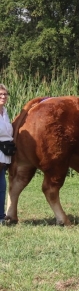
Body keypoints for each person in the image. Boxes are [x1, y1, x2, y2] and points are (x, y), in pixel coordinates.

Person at [0, 84, 13, 224]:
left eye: (5, 94)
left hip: (5, 153)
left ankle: (1, 216)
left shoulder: (5, 112)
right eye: (0, 95)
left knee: (2, 187)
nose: (3, 97)